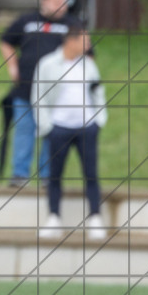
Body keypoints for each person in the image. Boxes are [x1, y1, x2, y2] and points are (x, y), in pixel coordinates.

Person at [0, 0, 83, 187]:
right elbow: (6, 41)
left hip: (55, 93)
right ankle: (19, 175)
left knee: (51, 134)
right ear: (44, 1)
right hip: (25, 89)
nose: (60, 6)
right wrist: (12, 66)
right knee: (24, 131)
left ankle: (48, 177)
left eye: (64, 2)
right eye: (56, 1)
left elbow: (86, 52)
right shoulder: (27, 21)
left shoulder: (73, 25)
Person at [33, 25, 107, 240]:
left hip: (86, 128)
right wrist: (47, 126)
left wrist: (98, 119)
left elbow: (97, 91)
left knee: (91, 173)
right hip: (59, 129)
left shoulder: (89, 66)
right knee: (54, 175)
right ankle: (54, 218)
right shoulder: (48, 64)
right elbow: (38, 96)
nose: (89, 45)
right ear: (71, 41)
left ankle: (95, 217)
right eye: (85, 40)